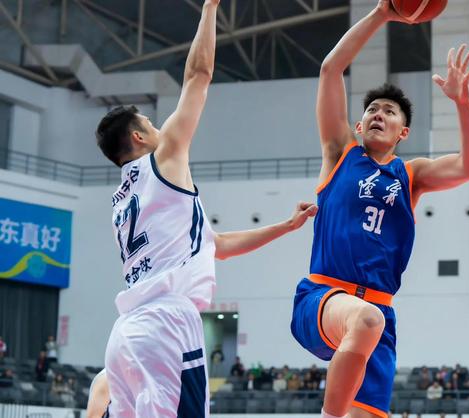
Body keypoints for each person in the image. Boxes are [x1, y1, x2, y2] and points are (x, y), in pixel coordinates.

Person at [96, 1, 317, 416]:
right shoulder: (164, 158)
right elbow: (198, 75)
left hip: (125, 334)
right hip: (167, 322)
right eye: (151, 124)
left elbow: (219, 245)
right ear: (139, 137)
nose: (161, 128)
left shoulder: (121, 200)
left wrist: (286, 226)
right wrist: (211, 7)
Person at [289, 1, 469, 418]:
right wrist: (382, 12)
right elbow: (330, 70)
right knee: (366, 321)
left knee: (371, 324)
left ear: (403, 132)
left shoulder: (411, 175)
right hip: (324, 296)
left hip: (379, 311)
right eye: (372, 110)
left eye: (389, 111)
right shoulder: (340, 154)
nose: (379, 114)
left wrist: (463, 105)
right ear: (359, 126)